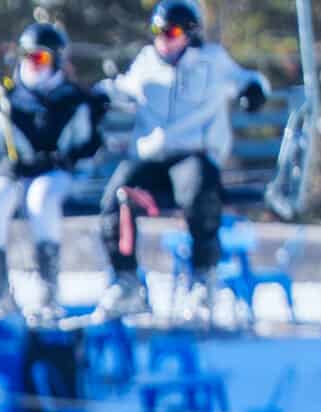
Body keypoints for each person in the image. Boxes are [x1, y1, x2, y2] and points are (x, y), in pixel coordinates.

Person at [92, 1, 270, 322]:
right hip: (152, 156)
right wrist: (103, 95)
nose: (163, 38)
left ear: (189, 34)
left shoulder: (211, 62)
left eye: (171, 31)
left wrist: (254, 90)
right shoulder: (147, 62)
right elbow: (124, 88)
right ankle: (127, 281)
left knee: (199, 191)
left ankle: (203, 278)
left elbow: (247, 79)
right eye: (157, 31)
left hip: (193, 154)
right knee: (116, 196)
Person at [0, 20, 110, 323]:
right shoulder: (7, 99)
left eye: (41, 58)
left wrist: (60, 159)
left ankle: (47, 282)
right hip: (15, 174)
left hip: (57, 177)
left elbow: (87, 145)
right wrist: (3, 161)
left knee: (40, 197)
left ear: (56, 60)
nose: (33, 65)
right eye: (28, 57)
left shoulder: (71, 99)